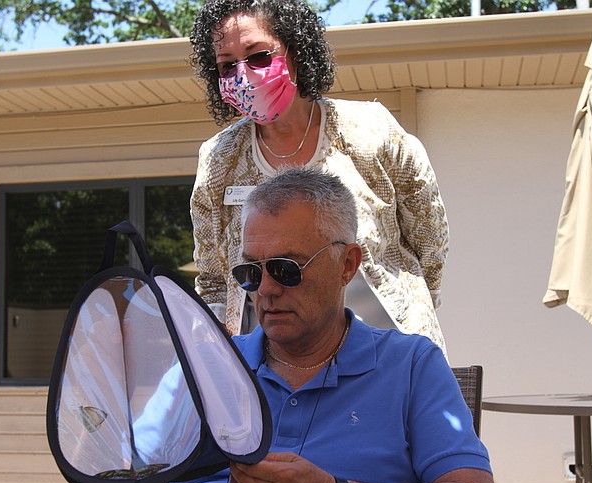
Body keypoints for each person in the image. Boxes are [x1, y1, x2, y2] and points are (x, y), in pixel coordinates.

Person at [70, 168, 501, 483]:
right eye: (251, 273)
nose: (266, 291)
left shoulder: (410, 366)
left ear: (348, 264)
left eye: (285, 268)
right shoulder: (205, 368)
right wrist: (98, 396)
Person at [189, 0, 449, 355]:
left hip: (392, 349)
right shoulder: (219, 158)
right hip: (279, 365)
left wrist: (417, 306)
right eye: (227, 65)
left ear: (295, 51)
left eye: (259, 56)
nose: (244, 74)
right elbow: (215, 280)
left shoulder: (372, 130)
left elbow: (429, 238)